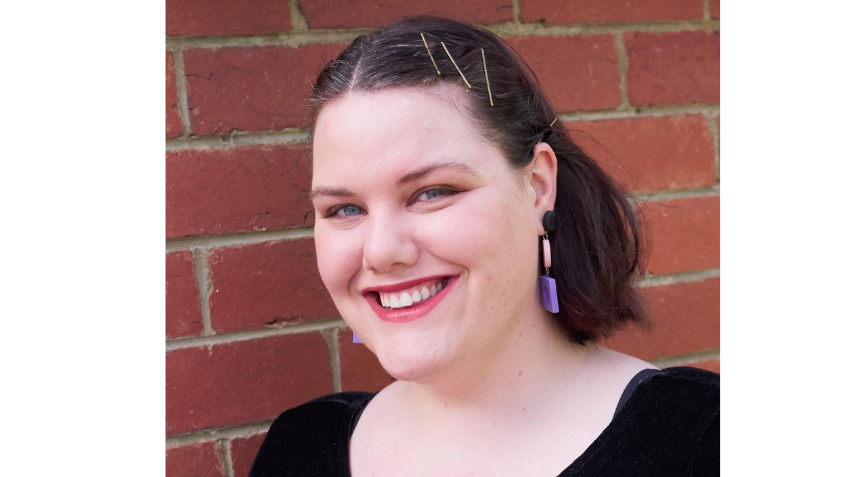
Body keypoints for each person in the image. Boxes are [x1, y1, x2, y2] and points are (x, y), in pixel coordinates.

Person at [249, 16, 718, 477]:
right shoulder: (301, 447)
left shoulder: (702, 438)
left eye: (433, 192)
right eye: (344, 209)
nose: (381, 251)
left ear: (537, 187)